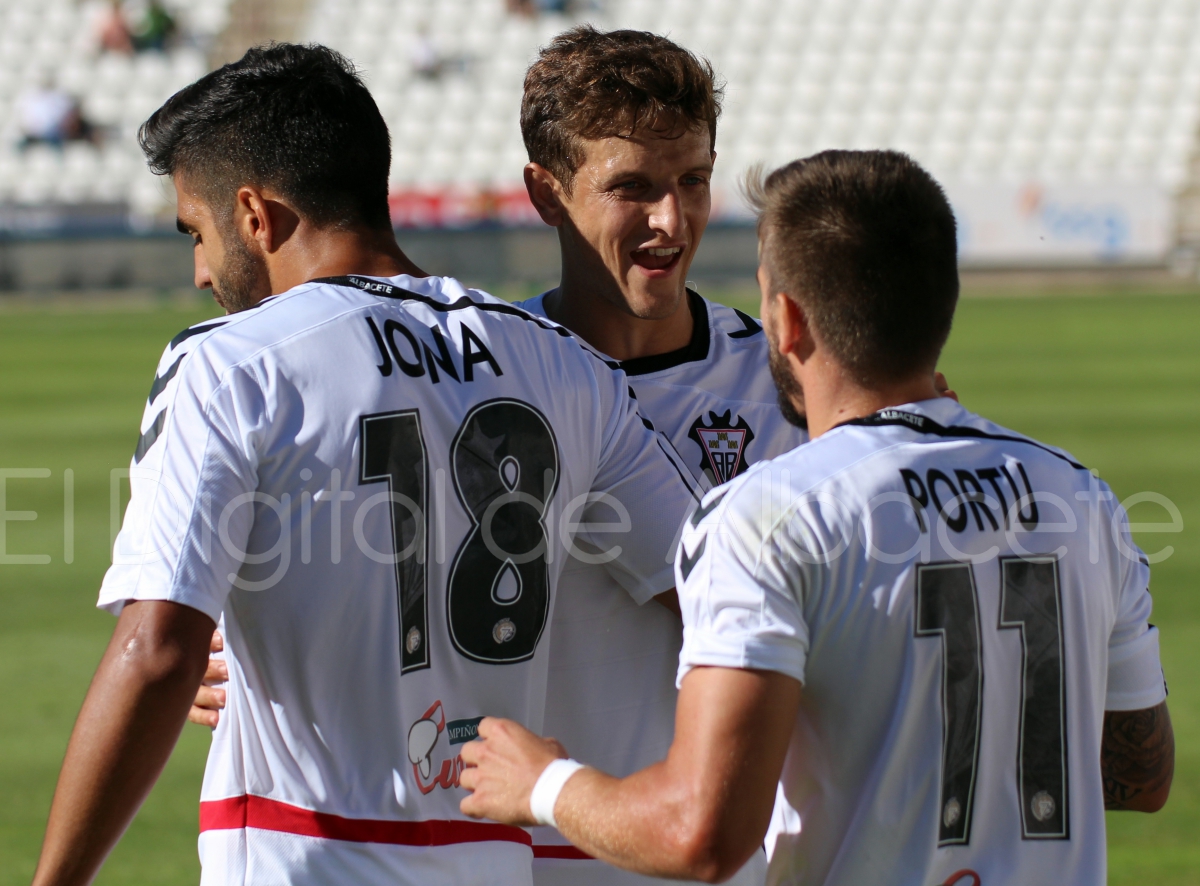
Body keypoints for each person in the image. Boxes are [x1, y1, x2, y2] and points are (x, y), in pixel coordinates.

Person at [30, 43, 703, 886]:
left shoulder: (232, 362)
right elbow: (720, 592)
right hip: (489, 865)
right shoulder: (566, 367)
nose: (201, 270)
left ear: (254, 213)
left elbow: (159, 649)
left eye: (196, 233)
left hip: (304, 859)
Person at [459, 150, 1175, 885]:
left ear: (788, 320)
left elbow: (699, 835)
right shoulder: (1081, 499)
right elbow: (1140, 777)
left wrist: (542, 782)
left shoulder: (767, 516)